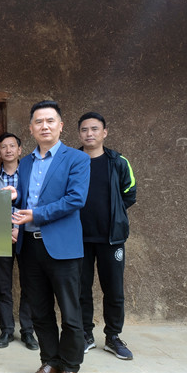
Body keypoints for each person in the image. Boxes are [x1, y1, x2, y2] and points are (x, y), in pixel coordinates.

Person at [11, 101, 90, 373]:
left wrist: (36, 214)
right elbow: (25, 201)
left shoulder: (76, 159)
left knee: (70, 311)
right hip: (29, 248)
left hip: (62, 247)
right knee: (40, 311)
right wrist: (15, 197)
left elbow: (75, 199)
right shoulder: (26, 163)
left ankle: (70, 367)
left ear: (61, 126)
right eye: (38, 121)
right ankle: (50, 363)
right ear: (31, 128)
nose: (44, 126)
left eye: (50, 121)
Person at [77, 112, 137, 360]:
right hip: (79, 238)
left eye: (94, 129)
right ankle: (85, 335)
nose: (89, 133)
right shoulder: (72, 161)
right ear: (79, 134)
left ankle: (113, 336)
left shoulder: (118, 162)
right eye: (84, 129)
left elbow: (129, 193)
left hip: (111, 238)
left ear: (104, 132)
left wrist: (113, 214)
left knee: (113, 289)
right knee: (81, 289)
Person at [0, 132, 39, 351]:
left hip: (26, 236)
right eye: (3, 147)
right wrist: (4, 230)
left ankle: (27, 330)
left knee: (29, 285)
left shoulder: (30, 174)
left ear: (19, 150)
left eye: (12, 146)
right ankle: (7, 330)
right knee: (3, 286)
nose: (8, 150)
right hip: (1, 236)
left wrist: (18, 228)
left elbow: (35, 204)